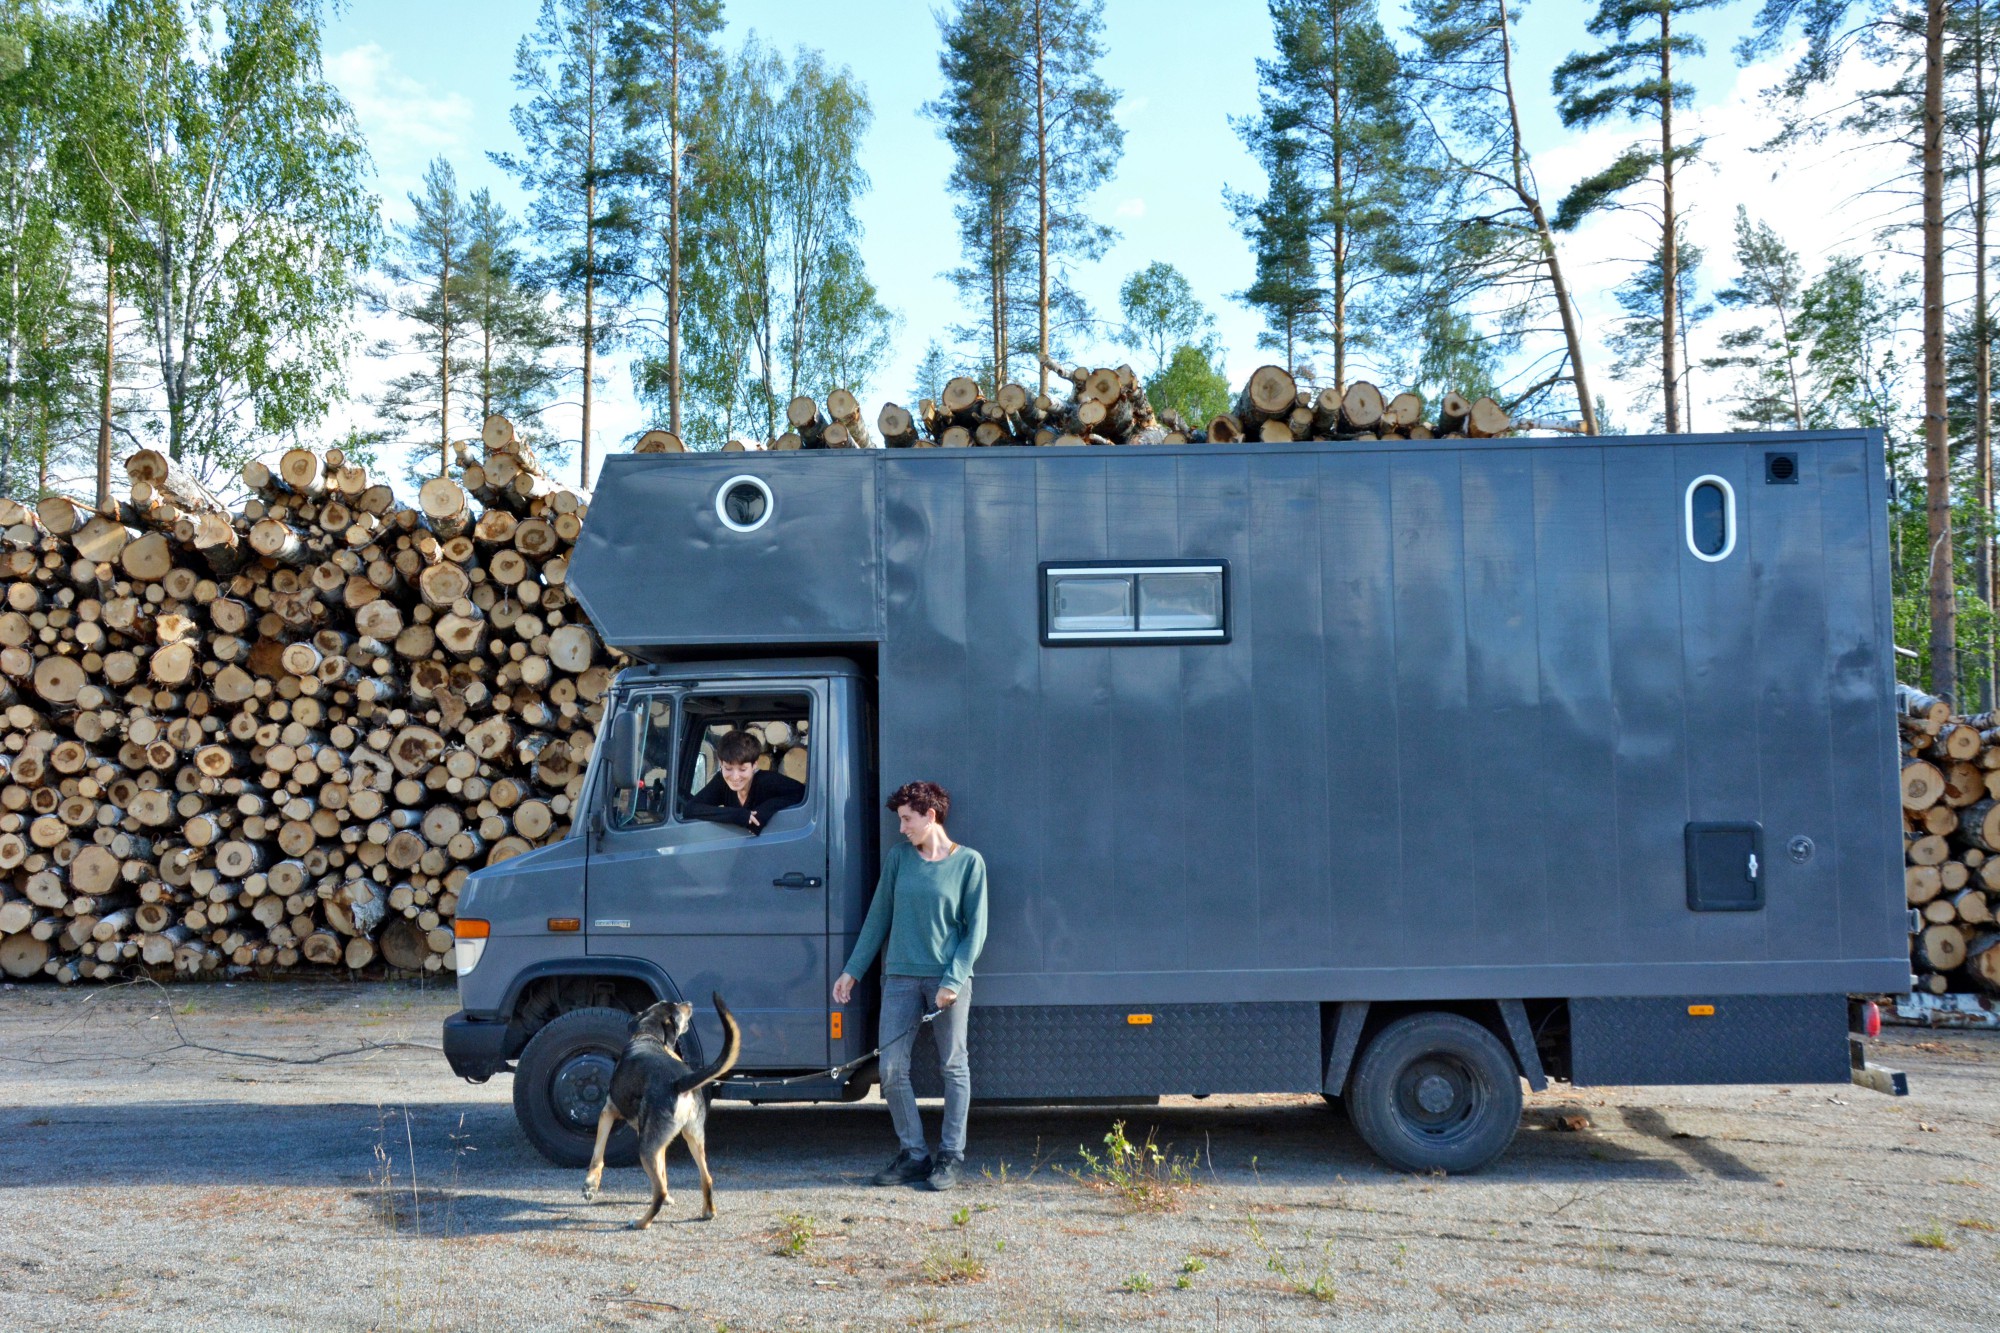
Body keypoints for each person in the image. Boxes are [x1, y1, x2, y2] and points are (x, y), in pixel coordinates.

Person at [832, 781, 988, 1191]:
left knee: (953, 1066)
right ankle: (914, 1155)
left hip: (946, 980)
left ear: (930, 815)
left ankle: (951, 1157)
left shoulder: (969, 863)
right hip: (899, 977)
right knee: (892, 1068)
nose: (901, 828)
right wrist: (853, 971)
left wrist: (953, 980)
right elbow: (878, 917)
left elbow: (976, 932)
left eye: (906, 819)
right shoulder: (899, 859)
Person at [683, 730, 805, 835]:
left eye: (742, 769)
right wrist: (737, 815)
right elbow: (691, 809)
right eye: (728, 768)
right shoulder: (721, 782)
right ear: (721, 764)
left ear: (754, 765)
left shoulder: (767, 781)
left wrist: (767, 809)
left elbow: (803, 793)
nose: (735, 777)